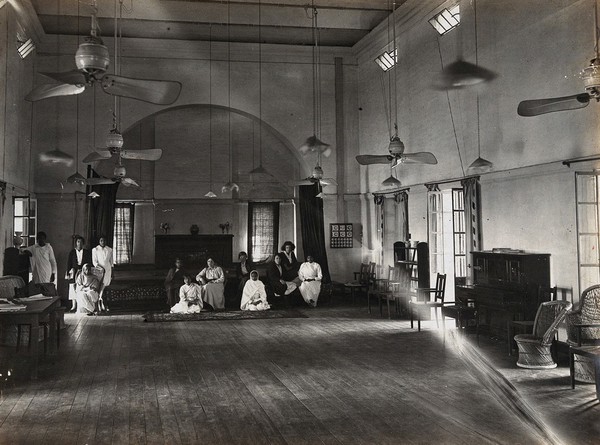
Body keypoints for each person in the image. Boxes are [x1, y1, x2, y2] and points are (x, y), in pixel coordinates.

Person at [66, 236, 92, 312]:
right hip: (74, 272)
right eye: (78, 242)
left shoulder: (86, 252)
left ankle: (81, 305)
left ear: (83, 243)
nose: (79, 243)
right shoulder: (72, 252)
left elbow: (89, 262)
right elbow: (69, 263)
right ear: (76, 243)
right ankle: (73, 306)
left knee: (81, 287)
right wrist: (68, 272)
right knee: (73, 288)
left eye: (81, 242)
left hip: (83, 272)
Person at [92, 236, 113, 312]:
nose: (103, 242)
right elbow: (94, 261)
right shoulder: (95, 249)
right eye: (101, 240)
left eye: (104, 240)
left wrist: (112, 273)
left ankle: (104, 304)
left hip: (107, 270)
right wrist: (100, 268)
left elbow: (111, 262)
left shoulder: (109, 250)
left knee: (105, 287)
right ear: (99, 241)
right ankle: (99, 304)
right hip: (99, 270)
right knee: (100, 287)